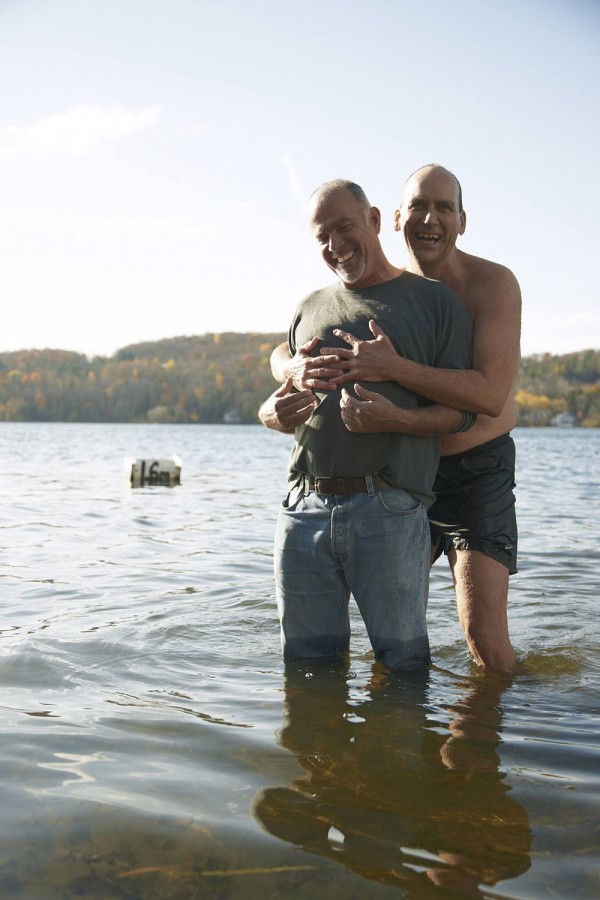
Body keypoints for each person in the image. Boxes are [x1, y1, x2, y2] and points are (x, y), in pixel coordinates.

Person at [266, 165, 521, 675]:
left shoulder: (488, 285)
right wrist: (287, 368)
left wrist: (394, 370)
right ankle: (384, 746)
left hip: (471, 472)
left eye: (443, 208)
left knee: (483, 638)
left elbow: (491, 394)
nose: (430, 219)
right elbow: (289, 345)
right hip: (393, 476)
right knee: (384, 631)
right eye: (419, 208)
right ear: (396, 218)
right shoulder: (371, 284)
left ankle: (498, 728)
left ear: (462, 221)